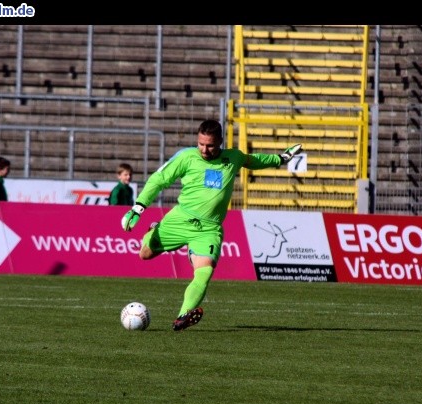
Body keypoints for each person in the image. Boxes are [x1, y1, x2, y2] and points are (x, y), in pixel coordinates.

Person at [121, 119, 302, 331]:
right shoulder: (186, 157)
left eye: (210, 145)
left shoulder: (232, 157)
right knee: (145, 254)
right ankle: (154, 229)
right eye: (201, 144)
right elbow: (158, 180)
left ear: (221, 142)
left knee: (204, 272)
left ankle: (182, 316)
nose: (204, 150)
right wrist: (138, 208)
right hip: (179, 219)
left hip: (208, 229)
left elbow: (254, 160)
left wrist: (280, 158)